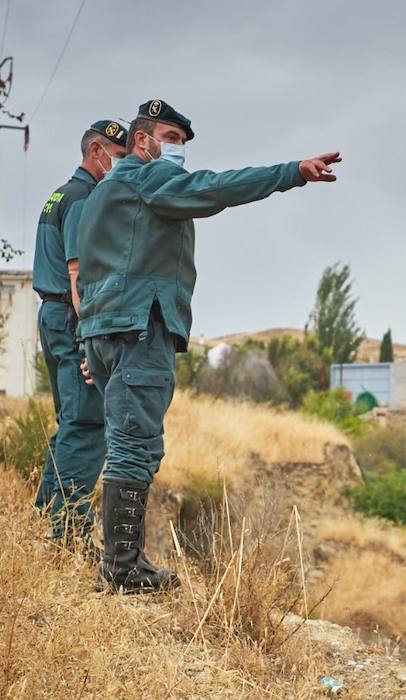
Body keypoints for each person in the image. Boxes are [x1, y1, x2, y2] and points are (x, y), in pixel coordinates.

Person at [75, 99, 340, 593]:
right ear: (141, 141)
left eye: (182, 143)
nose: (178, 151)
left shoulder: (101, 194)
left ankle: (124, 562)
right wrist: (292, 173)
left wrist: (87, 341)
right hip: (141, 326)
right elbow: (213, 188)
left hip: (106, 330)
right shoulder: (146, 180)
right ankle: (123, 569)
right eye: (171, 139)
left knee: (127, 441)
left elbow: (87, 274)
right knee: (136, 445)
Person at [30, 119, 128, 550]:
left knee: (71, 424)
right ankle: (67, 532)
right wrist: (92, 339)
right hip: (71, 319)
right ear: (96, 151)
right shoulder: (85, 199)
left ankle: (46, 520)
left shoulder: (59, 196)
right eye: (118, 157)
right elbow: (78, 273)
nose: (120, 166)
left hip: (52, 316)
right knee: (88, 424)